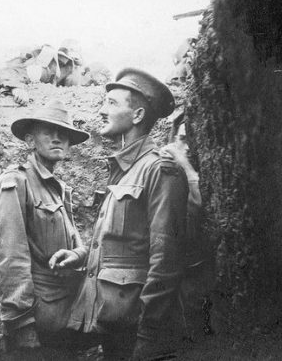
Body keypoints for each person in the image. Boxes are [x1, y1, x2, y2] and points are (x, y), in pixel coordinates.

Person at [50, 68, 189, 360]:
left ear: (137, 115)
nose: (102, 110)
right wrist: (80, 255)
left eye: (112, 103)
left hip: (138, 329)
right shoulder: (124, 169)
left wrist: (150, 334)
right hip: (114, 324)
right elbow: (123, 245)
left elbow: (166, 258)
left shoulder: (159, 169)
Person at [0, 100, 89, 354]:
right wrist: (21, 322)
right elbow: (10, 255)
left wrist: (79, 254)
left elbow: (72, 245)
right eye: (48, 131)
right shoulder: (15, 181)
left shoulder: (58, 189)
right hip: (37, 320)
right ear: (30, 141)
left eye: (63, 133)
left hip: (65, 317)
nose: (57, 138)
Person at [161, 111, 213, 339]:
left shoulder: (194, 168)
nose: (188, 146)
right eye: (182, 139)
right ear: (174, 138)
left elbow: (197, 204)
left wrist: (185, 164)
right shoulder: (164, 166)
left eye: (192, 140)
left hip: (195, 267)